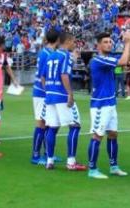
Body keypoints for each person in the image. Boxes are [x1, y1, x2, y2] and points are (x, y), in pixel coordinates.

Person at [85, 29, 130, 179]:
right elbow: (123, 61)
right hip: (100, 104)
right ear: (98, 45)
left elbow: (127, 59)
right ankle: (92, 169)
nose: (109, 44)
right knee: (97, 135)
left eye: (110, 42)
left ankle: (114, 166)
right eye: (105, 42)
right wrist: (126, 42)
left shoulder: (107, 59)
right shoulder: (98, 59)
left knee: (113, 134)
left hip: (110, 102)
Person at [43, 32, 87, 171]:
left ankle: (49, 160)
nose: (74, 44)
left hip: (50, 95)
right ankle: (71, 162)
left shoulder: (51, 56)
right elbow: (64, 74)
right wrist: (70, 94)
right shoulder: (65, 55)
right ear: (67, 41)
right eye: (73, 41)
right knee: (75, 125)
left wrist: (48, 90)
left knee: (52, 127)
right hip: (61, 95)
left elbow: (43, 76)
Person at [30, 30, 58, 164]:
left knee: (48, 122)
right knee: (41, 123)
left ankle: (48, 153)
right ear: (57, 40)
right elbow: (42, 77)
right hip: (41, 93)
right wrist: (48, 92)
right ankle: (35, 155)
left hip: (43, 92)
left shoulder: (46, 52)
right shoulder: (47, 54)